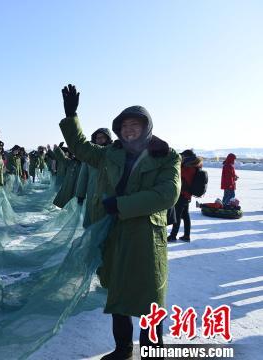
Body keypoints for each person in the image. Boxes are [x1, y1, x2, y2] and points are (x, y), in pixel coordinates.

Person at [58, 84, 180, 360]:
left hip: (146, 235)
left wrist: (121, 205)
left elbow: (167, 194)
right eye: (124, 125)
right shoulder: (109, 154)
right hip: (112, 232)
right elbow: (79, 147)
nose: (129, 129)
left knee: (150, 297)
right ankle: (123, 349)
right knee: (117, 294)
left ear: (147, 127)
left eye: (135, 124)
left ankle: (151, 351)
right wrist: (71, 116)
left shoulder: (166, 156)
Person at [74, 128, 113, 227]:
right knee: (92, 223)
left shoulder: (113, 153)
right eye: (97, 138)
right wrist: (80, 195)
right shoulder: (90, 155)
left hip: (109, 195)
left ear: (108, 139)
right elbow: (83, 176)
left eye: (102, 137)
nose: (100, 140)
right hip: (92, 193)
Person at [168, 149, 203, 242]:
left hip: (183, 194)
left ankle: (172, 236)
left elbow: (179, 175)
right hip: (187, 195)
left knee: (177, 215)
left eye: (183, 157)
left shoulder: (188, 167)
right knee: (185, 215)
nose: (182, 158)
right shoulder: (194, 166)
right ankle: (186, 236)